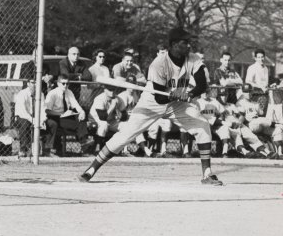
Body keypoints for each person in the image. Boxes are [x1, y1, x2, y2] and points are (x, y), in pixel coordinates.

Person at [79, 27, 223, 185]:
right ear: (174, 44)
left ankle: (207, 173)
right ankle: (90, 170)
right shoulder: (159, 64)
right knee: (125, 135)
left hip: (177, 103)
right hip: (152, 102)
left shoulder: (193, 58)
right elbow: (160, 98)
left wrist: (188, 94)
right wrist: (174, 93)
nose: (188, 45)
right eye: (184, 42)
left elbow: (201, 84)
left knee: (202, 125)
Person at [45, 73, 94, 155]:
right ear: (58, 83)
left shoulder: (69, 92)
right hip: (55, 117)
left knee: (80, 117)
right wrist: (61, 114)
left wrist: (82, 112)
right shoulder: (53, 93)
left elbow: (76, 105)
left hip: (65, 116)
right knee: (78, 124)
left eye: (67, 83)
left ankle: (84, 142)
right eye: (63, 83)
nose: (65, 86)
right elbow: (47, 111)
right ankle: (84, 142)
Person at [14, 79, 56, 158]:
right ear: (28, 83)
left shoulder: (41, 94)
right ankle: (23, 149)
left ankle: (47, 150)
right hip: (23, 117)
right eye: (33, 82)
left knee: (52, 124)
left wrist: (43, 120)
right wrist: (34, 121)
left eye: (37, 82)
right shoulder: (22, 94)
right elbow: (23, 112)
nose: (35, 85)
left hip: (36, 119)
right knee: (25, 123)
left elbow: (43, 109)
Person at [88, 84, 128, 151]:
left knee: (125, 125)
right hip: (95, 120)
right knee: (104, 124)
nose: (112, 92)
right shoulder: (100, 99)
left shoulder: (118, 99)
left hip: (110, 120)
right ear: (105, 90)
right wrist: (112, 106)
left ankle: (120, 149)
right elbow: (102, 117)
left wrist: (119, 113)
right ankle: (97, 148)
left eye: (114, 90)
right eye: (110, 90)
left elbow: (125, 116)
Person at [194, 88, 230, 157]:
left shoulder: (215, 101)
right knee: (206, 120)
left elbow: (223, 112)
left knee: (225, 128)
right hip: (202, 125)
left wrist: (220, 118)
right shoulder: (197, 102)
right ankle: (206, 153)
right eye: (203, 92)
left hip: (215, 125)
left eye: (206, 92)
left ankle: (225, 153)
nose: (205, 94)